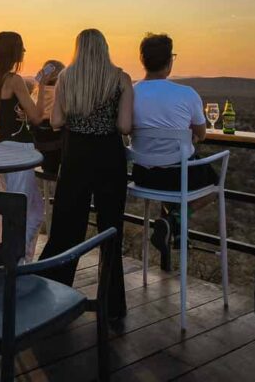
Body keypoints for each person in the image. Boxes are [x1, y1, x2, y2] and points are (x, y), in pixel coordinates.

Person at [38, 28, 133, 321]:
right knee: (110, 230)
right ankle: (112, 305)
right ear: (105, 48)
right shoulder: (121, 78)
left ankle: (51, 297)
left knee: (66, 229)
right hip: (108, 157)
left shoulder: (67, 78)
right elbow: (125, 126)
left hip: (76, 156)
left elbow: (55, 122)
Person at [131, 33, 218, 257]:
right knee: (216, 183)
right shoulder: (186, 94)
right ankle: (175, 218)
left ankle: (172, 223)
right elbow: (201, 133)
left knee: (173, 177)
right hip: (179, 177)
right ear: (169, 61)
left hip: (142, 176)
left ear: (143, 61)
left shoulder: (130, 93)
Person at [0, 31, 48, 262]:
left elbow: (9, 115)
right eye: (21, 47)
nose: (24, 51)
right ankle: (17, 262)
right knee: (30, 211)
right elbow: (38, 117)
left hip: (2, 150)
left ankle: (8, 258)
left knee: (11, 208)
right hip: (19, 152)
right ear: (13, 51)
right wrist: (41, 87)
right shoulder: (14, 80)